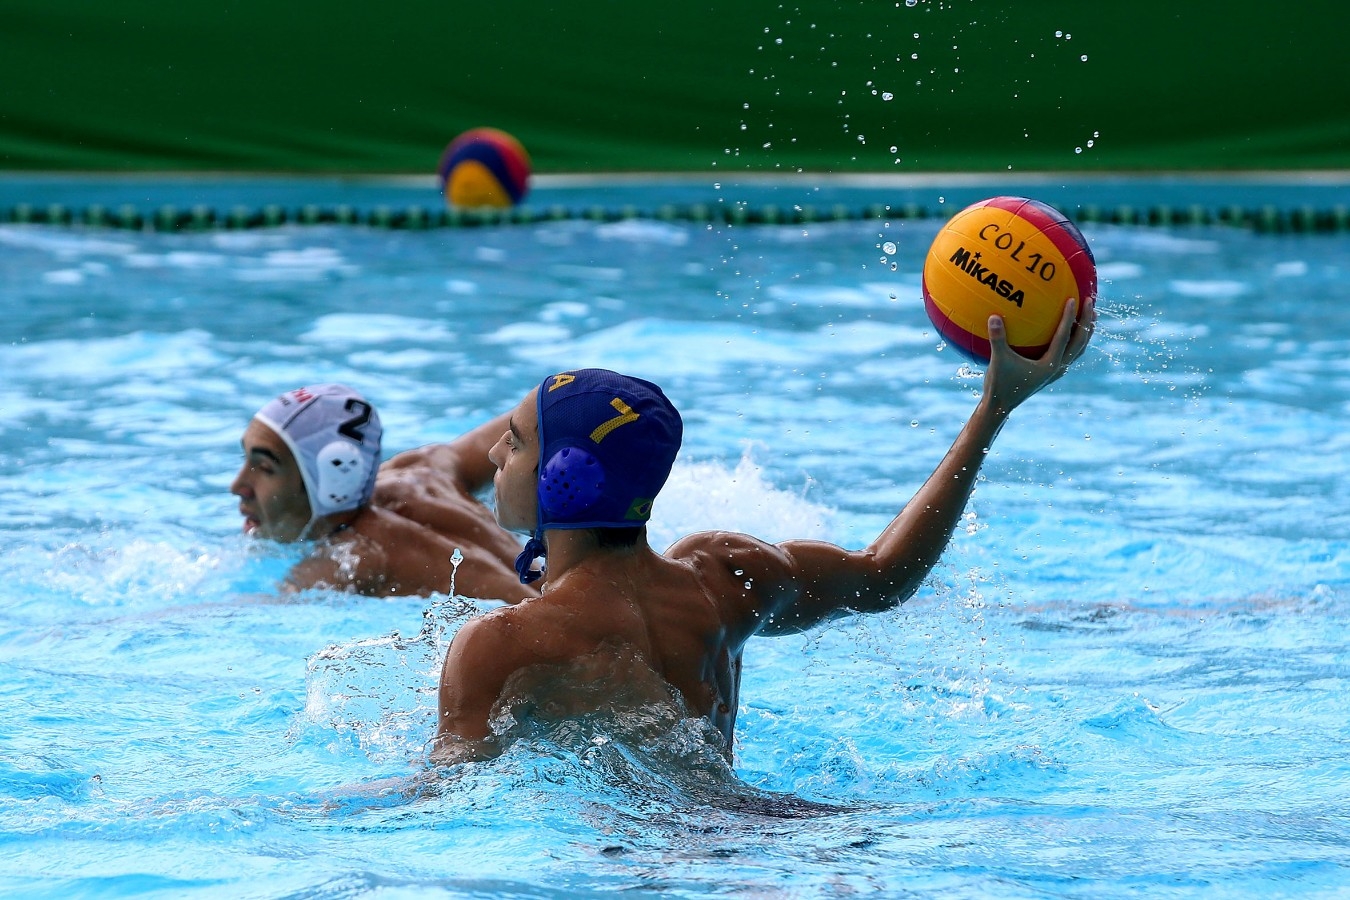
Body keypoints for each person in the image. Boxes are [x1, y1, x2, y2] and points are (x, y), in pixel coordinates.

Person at [432, 302, 1095, 762]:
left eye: (515, 446)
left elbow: (448, 800)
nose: (493, 459)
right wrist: (994, 407)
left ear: (566, 477)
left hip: (638, 859)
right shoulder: (724, 578)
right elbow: (885, 578)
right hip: (761, 826)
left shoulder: (501, 644)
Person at [230, 383, 535, 601]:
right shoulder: (422, 472)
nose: (238, 487)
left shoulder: (349, 558)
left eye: (265, 468)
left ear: (334, 476)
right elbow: (542, 416)